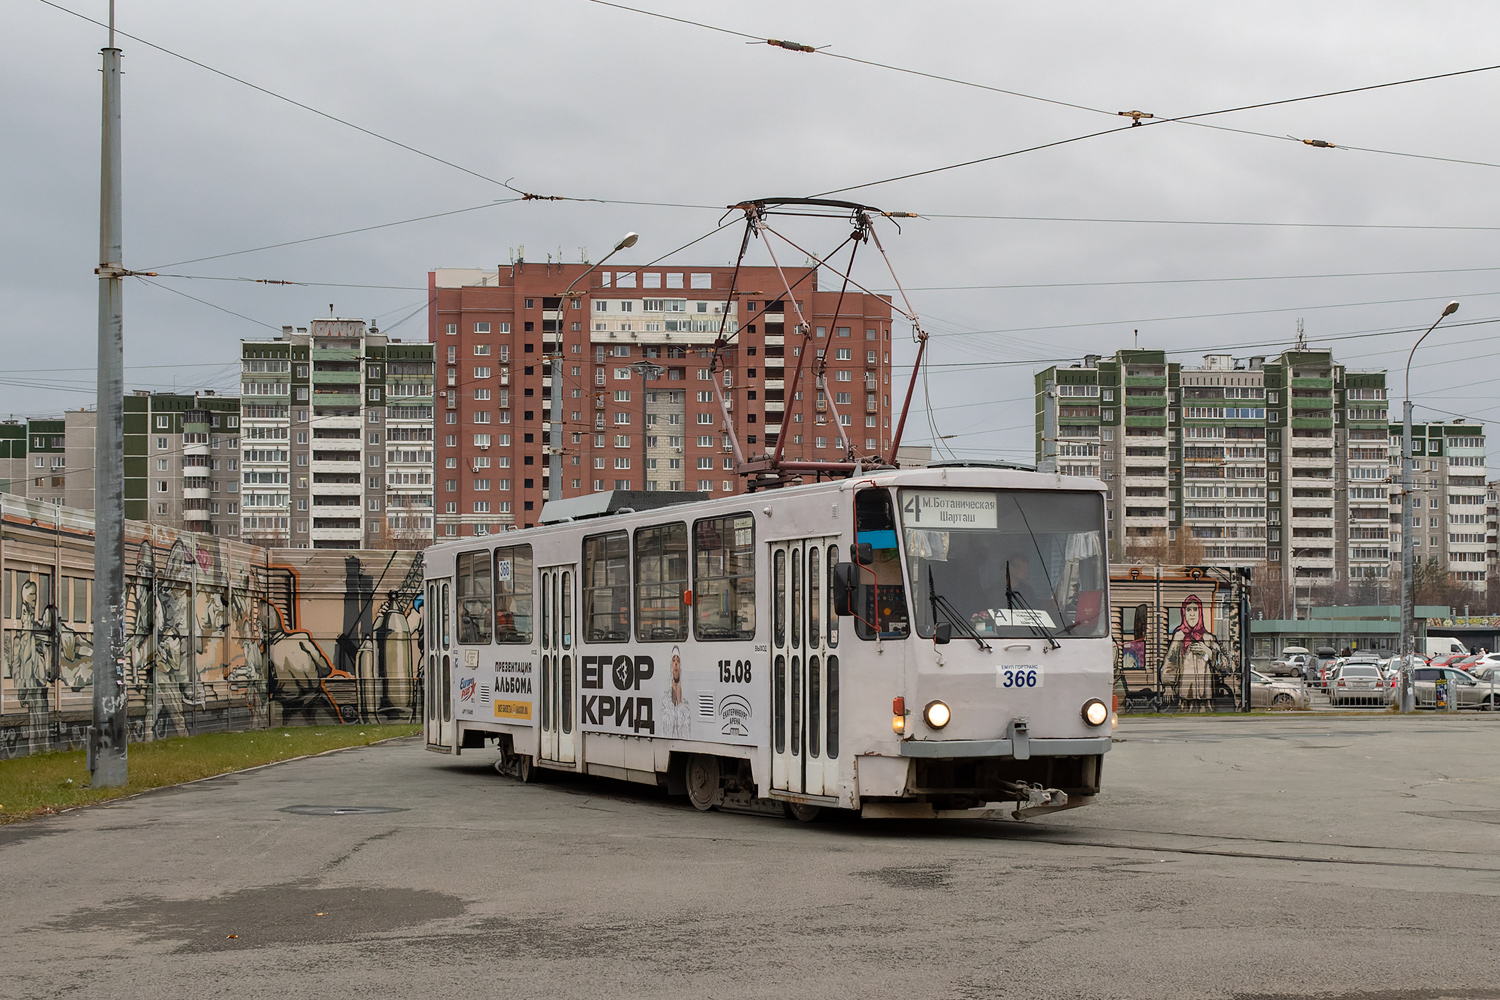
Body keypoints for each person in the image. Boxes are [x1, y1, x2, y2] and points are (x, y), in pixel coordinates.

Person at [1163, 594, 1216, 712]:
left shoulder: (1208, 638)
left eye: (1195, 609)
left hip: (1205, 701)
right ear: (1184, 613)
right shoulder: (1179, 636)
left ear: (1200, 613)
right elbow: (1170, 662)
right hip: (1185, 700)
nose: (1192, 614)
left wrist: (1209, 652)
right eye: (1188, 610)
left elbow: (1225, 665)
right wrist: (1168, 685)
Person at [659, 645, 692, 737]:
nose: (676, 664)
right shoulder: (665, 699)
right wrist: (673, 700)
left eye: (678, 661)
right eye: (673, 661)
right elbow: (666, 731)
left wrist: (680, 702)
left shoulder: (686, 703)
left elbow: (685, 734)